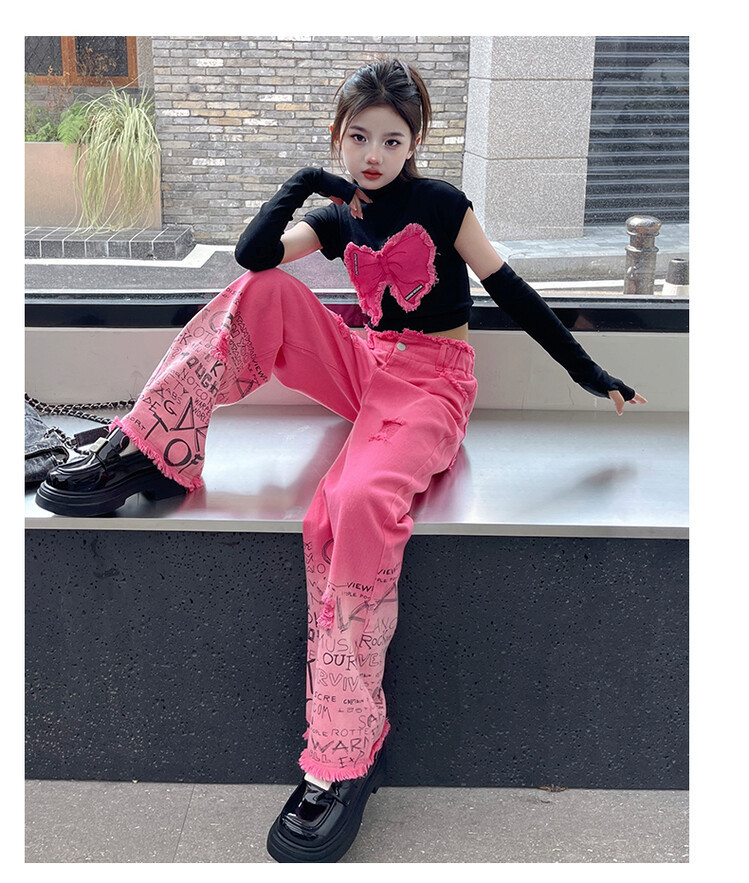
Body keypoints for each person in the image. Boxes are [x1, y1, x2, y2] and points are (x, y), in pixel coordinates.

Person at [35, 57, 647, 863]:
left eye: (391, 140)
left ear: (414, 142)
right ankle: (152, 450)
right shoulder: (336, 213)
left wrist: (588, 372)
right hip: (367, 363)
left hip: (431, 384)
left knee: (352, 506)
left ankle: (344, 750)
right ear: (338, 137)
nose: (372, 154)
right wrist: (301, 184)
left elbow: (513, 292)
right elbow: (254, 259)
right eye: (358, 137)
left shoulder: (444, 205)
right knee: (260, 294)